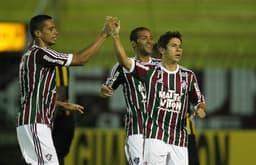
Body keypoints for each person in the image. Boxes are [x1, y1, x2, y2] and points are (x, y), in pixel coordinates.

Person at [17, 14, 117, 165]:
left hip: (31, 122)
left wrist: (61, 104)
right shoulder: (41, 53)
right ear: (37, 33)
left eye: (55, 28)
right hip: (35, 122)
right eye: (50, 29)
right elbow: (81, 59)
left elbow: (33, 93)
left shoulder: (29, 56)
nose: (55, 32)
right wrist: (104, 34)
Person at [111, 19, 206, 165]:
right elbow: (124, 61)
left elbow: (199, 101)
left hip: (179, 138)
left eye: (180, 47)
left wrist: (200, 109)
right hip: (155, 136)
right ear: (162, 50)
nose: (179, 49)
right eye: (174, 46)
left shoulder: (188, 76)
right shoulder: (150, 73)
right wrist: (116, 36)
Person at [100, 27, 160, 165]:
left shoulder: (160, 66)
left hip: (159, 130)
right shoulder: (122, 66)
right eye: (144, 38)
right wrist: (104, 90)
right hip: (136, 128)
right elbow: (108, 88)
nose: (150, 41)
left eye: (151, 38)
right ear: (134, 43)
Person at [52, 66, 75, 165]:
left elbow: (60, 93)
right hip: (52, 118)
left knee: (55, 155)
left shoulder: (58, 64)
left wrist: (49, 123)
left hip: (59, 118)